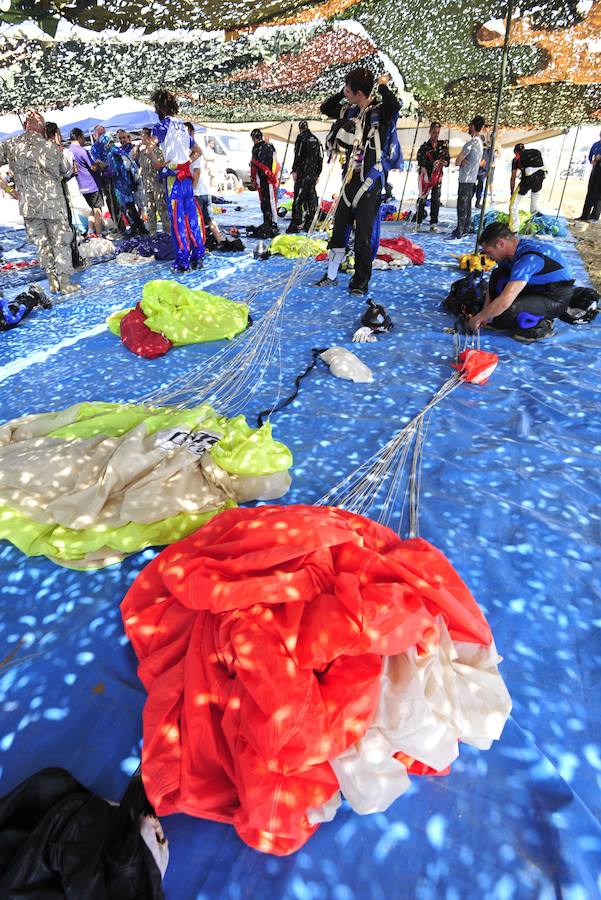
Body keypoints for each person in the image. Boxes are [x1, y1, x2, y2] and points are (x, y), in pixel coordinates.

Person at [316, 68, 401, 295]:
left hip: (370, 182)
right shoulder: (349, 110)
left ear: (360, 92)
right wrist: (344, 92)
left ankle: (360, 283)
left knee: (363, 235)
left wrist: (381, 85)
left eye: (348, 89)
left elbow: (395, 106)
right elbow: (325, 108)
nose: (345, 92)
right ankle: (331, 275)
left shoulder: (379, 113)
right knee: (339, 231)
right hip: (349, 182)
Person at [0, 111, 80, 295]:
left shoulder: (11, 145)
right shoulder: (51, 148)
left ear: (25, 126)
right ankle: (65, 281)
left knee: (41, 243)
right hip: (54, 205)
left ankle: (52, 279)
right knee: (60, 241)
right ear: (43, 128)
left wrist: (9, 189)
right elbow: (66, 171)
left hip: (30, 205)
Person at [468, 221, 574, 342]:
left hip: (555, 297)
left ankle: (542, 325)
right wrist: (484, 313)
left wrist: (478, 318)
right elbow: (494, 282)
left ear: (500, 244)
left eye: (489, 252)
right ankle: (504, 317)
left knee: (510, 310)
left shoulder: (529, 259)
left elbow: (504, 302)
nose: (488, 257)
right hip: (535, 288)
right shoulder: (510, 253)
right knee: (497, 274)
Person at [150, 89, 204, 271]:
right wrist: (186, 162)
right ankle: (198, 255)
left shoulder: (161, 127)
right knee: (192, 218)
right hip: (186, 178)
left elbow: (150, 147)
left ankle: (182, 261)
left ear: (160, 107)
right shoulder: (181, 126)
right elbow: (198, 151)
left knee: (177, 220)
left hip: (173, 179)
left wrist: (158, 162)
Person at [186, 123, 225, 248]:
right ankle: (219, 240)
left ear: (192, 133)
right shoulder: (193, 149)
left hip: (199, 192)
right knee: (208, 219)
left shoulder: (194, 150)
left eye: (186, 132)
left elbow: (197, 172)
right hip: (205, 190)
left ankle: (201, 244)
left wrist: (191, 190)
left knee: (199, 220)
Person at [450, 115, 485, 239]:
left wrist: (460, 161)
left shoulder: (471, 143)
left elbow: (458, 161)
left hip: (465, 179)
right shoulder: (480, 143)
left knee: (462, 205)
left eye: (470, 125)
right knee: (468, 204)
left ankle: (460, 229)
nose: (468, 127)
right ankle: (467, 226)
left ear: (473, 127)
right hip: (472, 178)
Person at [108, 130, 147, 236]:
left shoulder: (134, 148)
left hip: (136, 181)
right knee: (129, 207)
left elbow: (138, 164)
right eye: (120, 138)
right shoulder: (118, 151)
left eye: (123, 138)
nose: (122, 140)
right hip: (126, 185)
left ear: (128, 137)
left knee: (141, 205)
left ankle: (143, 227)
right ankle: (136, 227)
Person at [287, 120, 323, 234]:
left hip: (303, 173)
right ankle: (310, 223)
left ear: (300, 128)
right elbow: (320, 157)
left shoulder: (301, 138)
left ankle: (296, 223)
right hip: (312, 174)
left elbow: (297, 155)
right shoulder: (316, 140)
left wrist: (294, 169)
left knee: (298, 199)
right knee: (311, 198)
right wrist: (318, 173)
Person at [69, 128, 104, 236]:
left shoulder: (69, 150)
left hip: (82, 186)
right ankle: (99, 234)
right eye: (83, 137)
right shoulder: (81, 150)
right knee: (97, 210)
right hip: (91, 184)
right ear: (79, 137)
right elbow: (93, 167)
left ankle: (90, 230)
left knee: (93, 208)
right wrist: (99, 164)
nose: (85, 140)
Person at [415, 121, 450, 232]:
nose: (436, 134)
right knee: (422, 199)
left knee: (436, 200)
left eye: (438, 132)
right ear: (430, 132)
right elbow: (420, 160)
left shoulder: (443, 145)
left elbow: (448, 160)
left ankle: (433, 223)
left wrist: (445, 163)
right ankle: (418, 222)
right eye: (434, 132)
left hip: (438, 177)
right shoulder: (424, 147)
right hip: (425, 178)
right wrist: (431, 164)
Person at [135, 127, 170, 235]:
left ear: (149, 137)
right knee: (150, 210)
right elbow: (133, 157)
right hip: (147, 184)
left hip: (157, 184)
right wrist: (137, 147)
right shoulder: (142, 153)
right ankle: (152, 232)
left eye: (143, 135)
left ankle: (167, 232)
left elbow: (161, 166)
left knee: (162, 209)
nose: (141, 137)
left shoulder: (157, 151)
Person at [90, 125, 122, 232]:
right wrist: (108, 166)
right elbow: (98, 163)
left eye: (104, 133)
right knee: (112, 201)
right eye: (99, 134)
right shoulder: (95, 147)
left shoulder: (110, 145)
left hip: (117, 177)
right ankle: (119, 226)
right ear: (95, 136)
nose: (102, 135)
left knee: (120, 201)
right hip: (106, 178)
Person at [250, 129, 279, 238]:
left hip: (264, 178)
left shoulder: (257, 148)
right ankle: (270, 222)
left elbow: (254, 165)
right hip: (266, 178)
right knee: (267, 201)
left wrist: (254, 178)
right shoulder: (268, 147)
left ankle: (271, 222)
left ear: (255, 138)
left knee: (268, 201)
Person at [509, 143, 546, 228]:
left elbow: (513, 177)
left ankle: (514, 228)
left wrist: (512, 192)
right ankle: (534, 226)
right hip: (539, 180)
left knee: (513, 205)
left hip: (527, 181)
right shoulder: (535, 152)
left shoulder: (516, 159)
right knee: (534, 205)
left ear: (516, 152)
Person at [578, 131, 601, 222]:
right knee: (590, 191)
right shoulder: (596, 144)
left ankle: (594, 216)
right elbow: (590, 154)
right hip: (596, 168)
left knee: (598, 193)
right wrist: (592, 160)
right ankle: (585, 215)